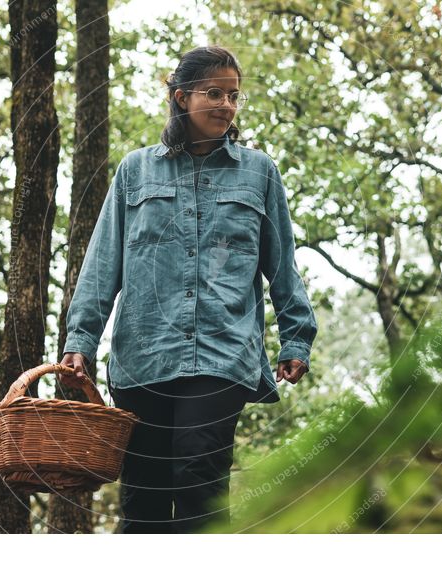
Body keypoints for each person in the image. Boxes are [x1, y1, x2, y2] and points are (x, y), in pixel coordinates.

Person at [57, 45, 318, 534]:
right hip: (143, 356)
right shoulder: (135, 171)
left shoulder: (259, 172)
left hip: (224, 352)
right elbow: (103, 262)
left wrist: (296, 336)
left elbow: (283, 263)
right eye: (213, 93)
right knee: (143, 501)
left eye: (234, 96)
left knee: (200, 479)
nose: (226, 105)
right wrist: (80, 340)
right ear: (181, 97)